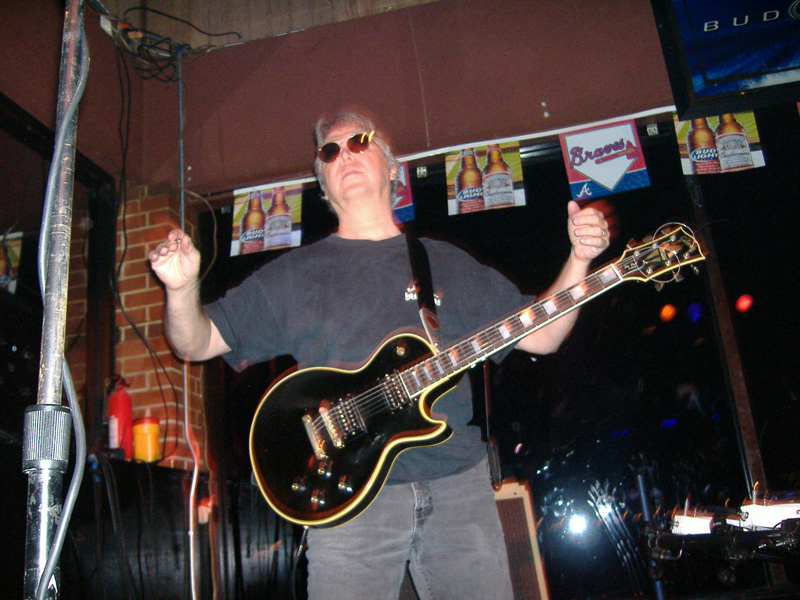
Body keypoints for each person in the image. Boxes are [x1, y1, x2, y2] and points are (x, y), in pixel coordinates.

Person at [149, 111, 610, 600]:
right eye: (330, 151)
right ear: (323, 186)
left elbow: (543, 335)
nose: (345, 154)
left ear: (393, 169)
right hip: (349, 502)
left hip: (458, 489)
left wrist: (580, 259)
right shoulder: (295, 275)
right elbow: (196, 342)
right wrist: (180, 290)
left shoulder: (445, 263)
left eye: (360, 141)